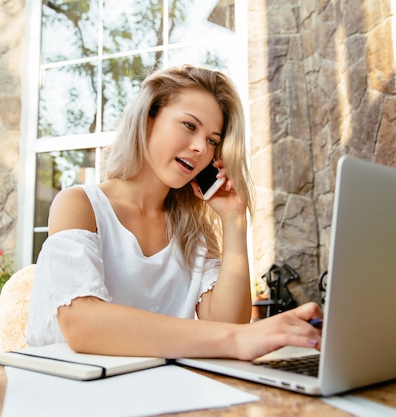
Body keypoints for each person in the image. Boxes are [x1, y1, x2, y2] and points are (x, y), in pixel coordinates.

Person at [26, 64, 322, 360]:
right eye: (190, 126)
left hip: (159, 392)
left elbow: (227, 325)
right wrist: (237, 340)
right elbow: (83, 325)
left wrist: (234, 219)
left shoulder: (192, 230)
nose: (200, 149)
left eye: (212, 141)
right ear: (148, 119)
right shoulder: (79, 205)